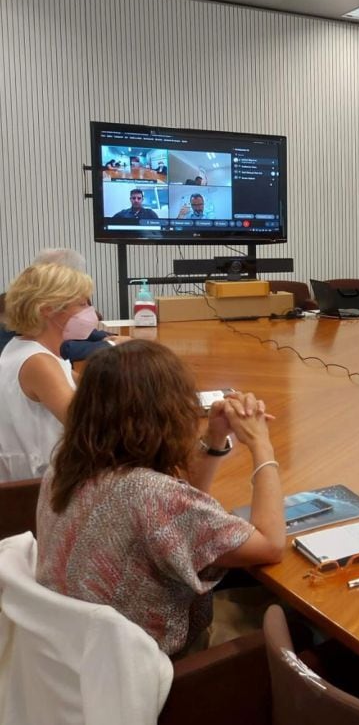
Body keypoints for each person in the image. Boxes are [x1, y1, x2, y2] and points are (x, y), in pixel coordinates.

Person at [35, 340, 285, 657]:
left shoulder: (67, 463)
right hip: (148, 664)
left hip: (76, 648)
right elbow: (271, 544)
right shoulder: (149, 494)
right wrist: (261, 444)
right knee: (295, 621)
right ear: (169, 414)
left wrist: (215, 436)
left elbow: (173, 508)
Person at [0, 263, 94, 481]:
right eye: (81, 304)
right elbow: (87, 427)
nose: (89, 312)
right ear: (48, 310)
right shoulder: (38, 362)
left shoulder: (27, 349)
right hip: (38, 489)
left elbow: (92, 388)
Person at [0, 249, 131, 361]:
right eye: (82, 304)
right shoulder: (36, 356)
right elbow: (65, 348)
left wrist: (110, 338)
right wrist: (111, 344)